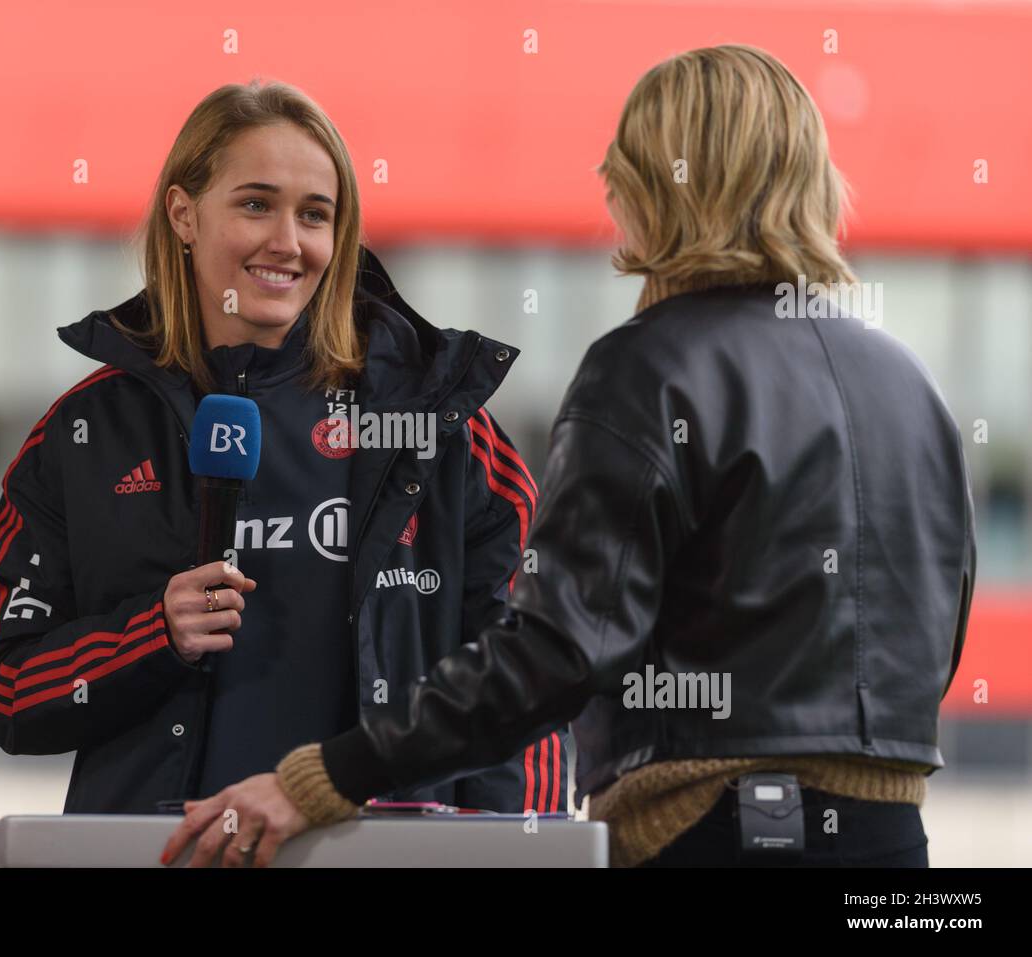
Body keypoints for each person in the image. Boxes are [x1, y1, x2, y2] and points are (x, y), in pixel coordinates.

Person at [162, 45, 976, 868]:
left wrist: (324, 777)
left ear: (657, 184)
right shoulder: (909, 381)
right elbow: (935, 641)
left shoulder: (651, 367)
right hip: (894, 844)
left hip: (709, 834)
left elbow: (558, 652)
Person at [0, 79, 566, 816]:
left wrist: (521, 853)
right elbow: (2, 683)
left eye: (315, 215)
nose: (287, 242)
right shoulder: (83, 435)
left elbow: (526, 684)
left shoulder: (441, 426)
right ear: (184, 214)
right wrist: (150, 633)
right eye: (256, 204)